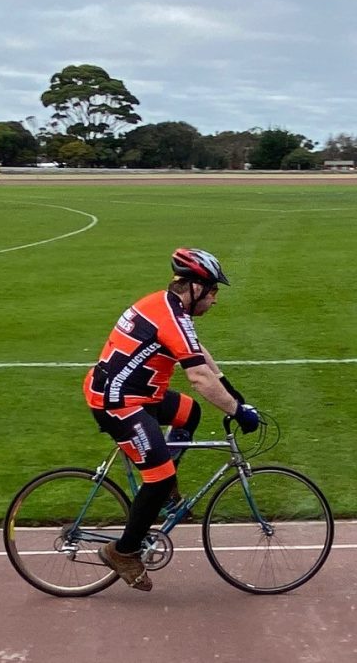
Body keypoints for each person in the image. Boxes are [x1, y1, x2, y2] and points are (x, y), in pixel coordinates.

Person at [84, 247, 260, 592]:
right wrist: (237, 411)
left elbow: (199, 354)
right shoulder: (168, 315)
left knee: (188, 412)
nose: (215, 300)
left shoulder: (170, 308)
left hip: (136, 394)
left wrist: (232, 392)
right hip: (117, 402)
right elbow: (198, 378)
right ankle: (123, 551)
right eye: (212, 292)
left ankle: (163, 494)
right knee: (160, 474)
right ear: (194, 287)